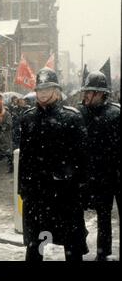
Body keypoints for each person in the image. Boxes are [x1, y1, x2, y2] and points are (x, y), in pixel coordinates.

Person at [18, 67, 89, 261]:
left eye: (47, 89)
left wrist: (82, 190)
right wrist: (22, 189)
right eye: (39, 89)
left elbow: (82, 159)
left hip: (65, 194)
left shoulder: (72, 117)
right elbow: (24, 158)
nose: (42, 93)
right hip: (37, 195)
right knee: (35, 246)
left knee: (72, 245)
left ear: (57, 91)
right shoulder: (28, 118)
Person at [77, 71, 120, 261]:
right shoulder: (81, 113)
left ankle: (103, 253)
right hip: (92, 176)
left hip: (113, 175)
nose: (85, 95)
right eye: (85, 91)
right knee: (92, 216)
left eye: (90, 91)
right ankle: (91, 251)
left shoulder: (116, 114)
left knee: (108, 216)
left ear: (101, 93)